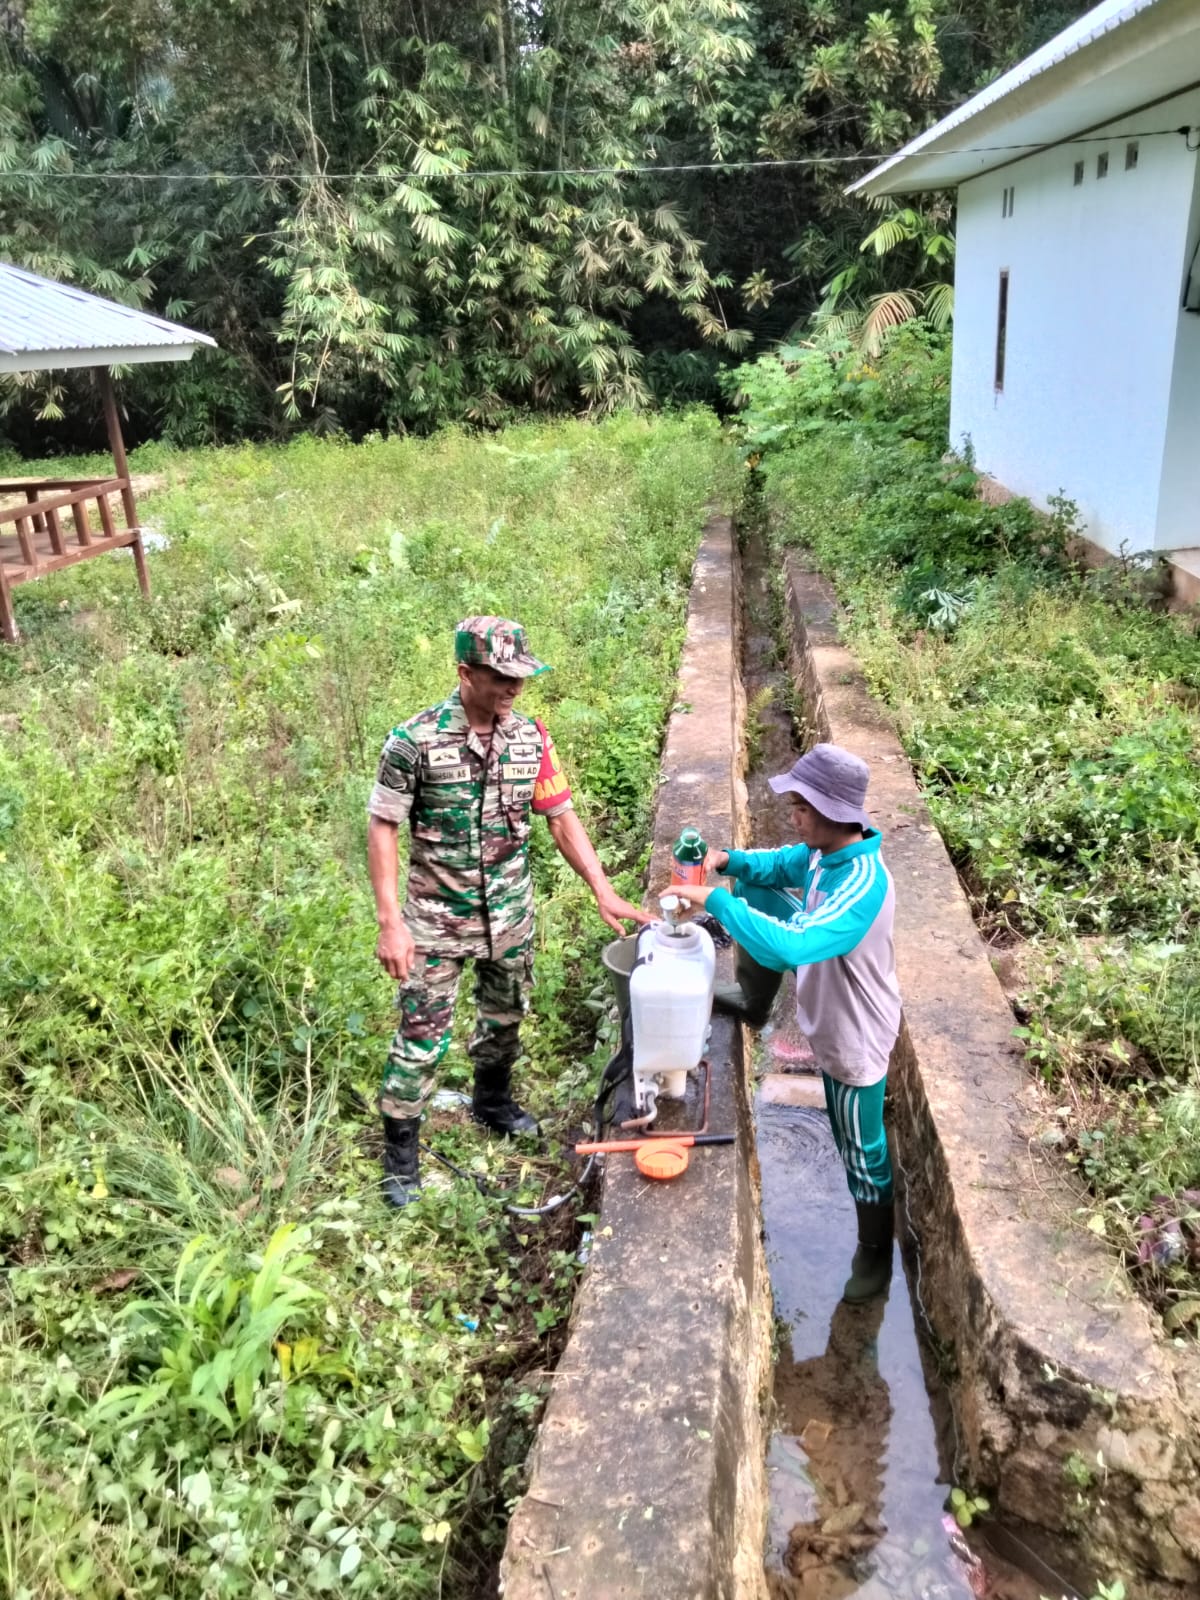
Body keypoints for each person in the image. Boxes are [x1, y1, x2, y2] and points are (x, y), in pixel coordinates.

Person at [367, 616, 649, 1208]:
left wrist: (600, 886)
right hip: (437, 921)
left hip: (510, 916)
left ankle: (491, 1101)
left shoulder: (531, 738)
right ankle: (400, 1154)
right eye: (501, 677)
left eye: (521, 676)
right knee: (422, 1037)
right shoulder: (414, 742)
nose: (514, 688)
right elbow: (384, 827)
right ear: (466, 673)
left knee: (504, 1018)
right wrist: (391, 922)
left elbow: (560, 816)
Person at [676, 744, 901, 1302]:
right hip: (828, 1014)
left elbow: (797, 946)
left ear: (831, 812)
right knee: (753, 884)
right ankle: (754, 1001)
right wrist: (729, 864)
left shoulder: (862, 885)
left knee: (861, 1149)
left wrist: (716, 902)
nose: (793, 816)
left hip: (853, 1036)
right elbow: (780, 864)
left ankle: (875, 1253)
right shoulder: (826, 853)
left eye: (800, 807)